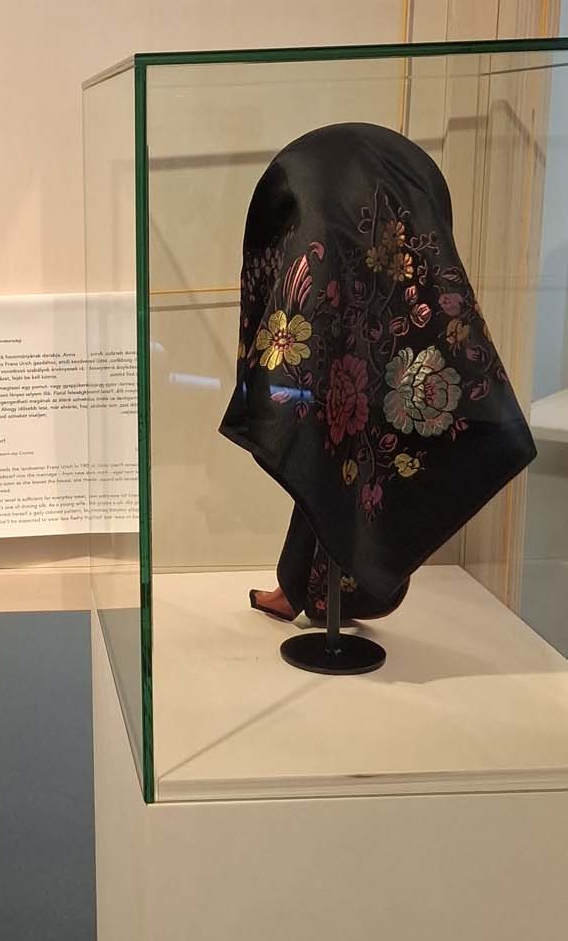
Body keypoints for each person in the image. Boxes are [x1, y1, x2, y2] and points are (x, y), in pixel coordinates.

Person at [219, 123, 536, 625]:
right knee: (334, 403)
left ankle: (320, 580)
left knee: (358, 392)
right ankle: (304, 579)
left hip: (356, 204)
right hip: (349, 201)